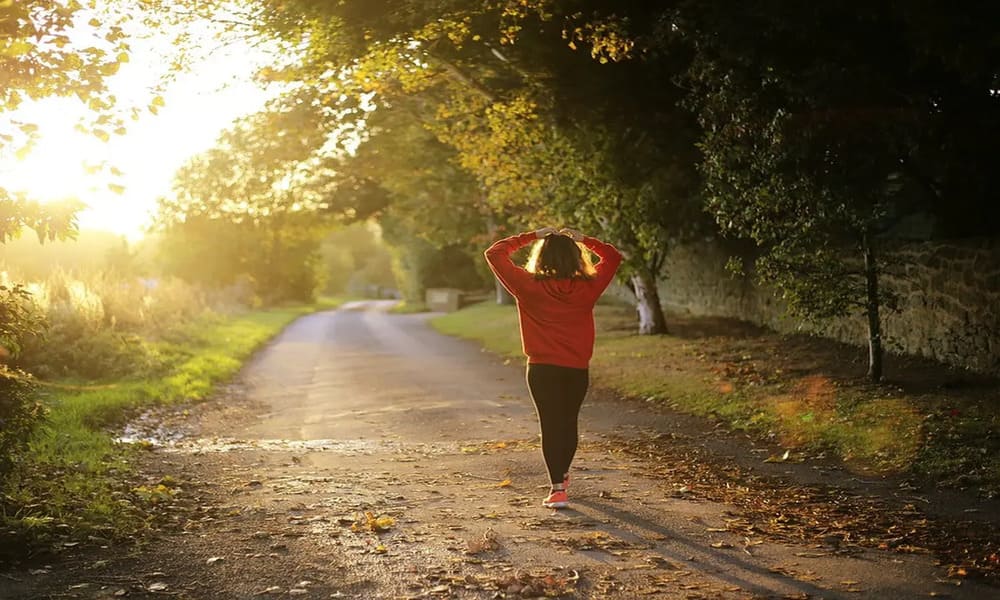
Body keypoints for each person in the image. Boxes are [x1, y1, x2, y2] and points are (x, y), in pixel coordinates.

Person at [484, 227, 622, 508]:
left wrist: (532, 235)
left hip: (542, 369)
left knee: (550, 424)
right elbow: (613, 256)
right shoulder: (588, 286)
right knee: (568, 422)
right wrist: (584, 239)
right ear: (576, 257)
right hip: (576, 368)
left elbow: (494, 253)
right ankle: (562, 473)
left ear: (541, 257)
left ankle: (557, 487)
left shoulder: (528, 285)